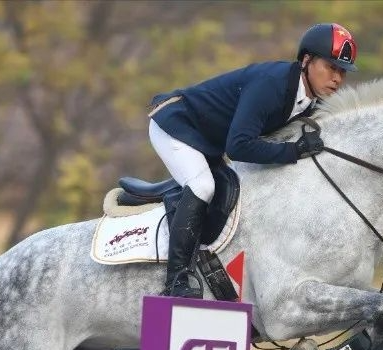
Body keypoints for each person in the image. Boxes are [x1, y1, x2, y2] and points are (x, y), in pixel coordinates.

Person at [148, 23, 358, 298]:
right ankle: (175, 281)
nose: (337, 79)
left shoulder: (310, 101)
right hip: (176, 125)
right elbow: (238, 146)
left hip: (208, 142)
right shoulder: (273, 84)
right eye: (331, 67)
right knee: (202, 186)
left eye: (342, 72)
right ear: (306, 60)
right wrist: (292, 152)